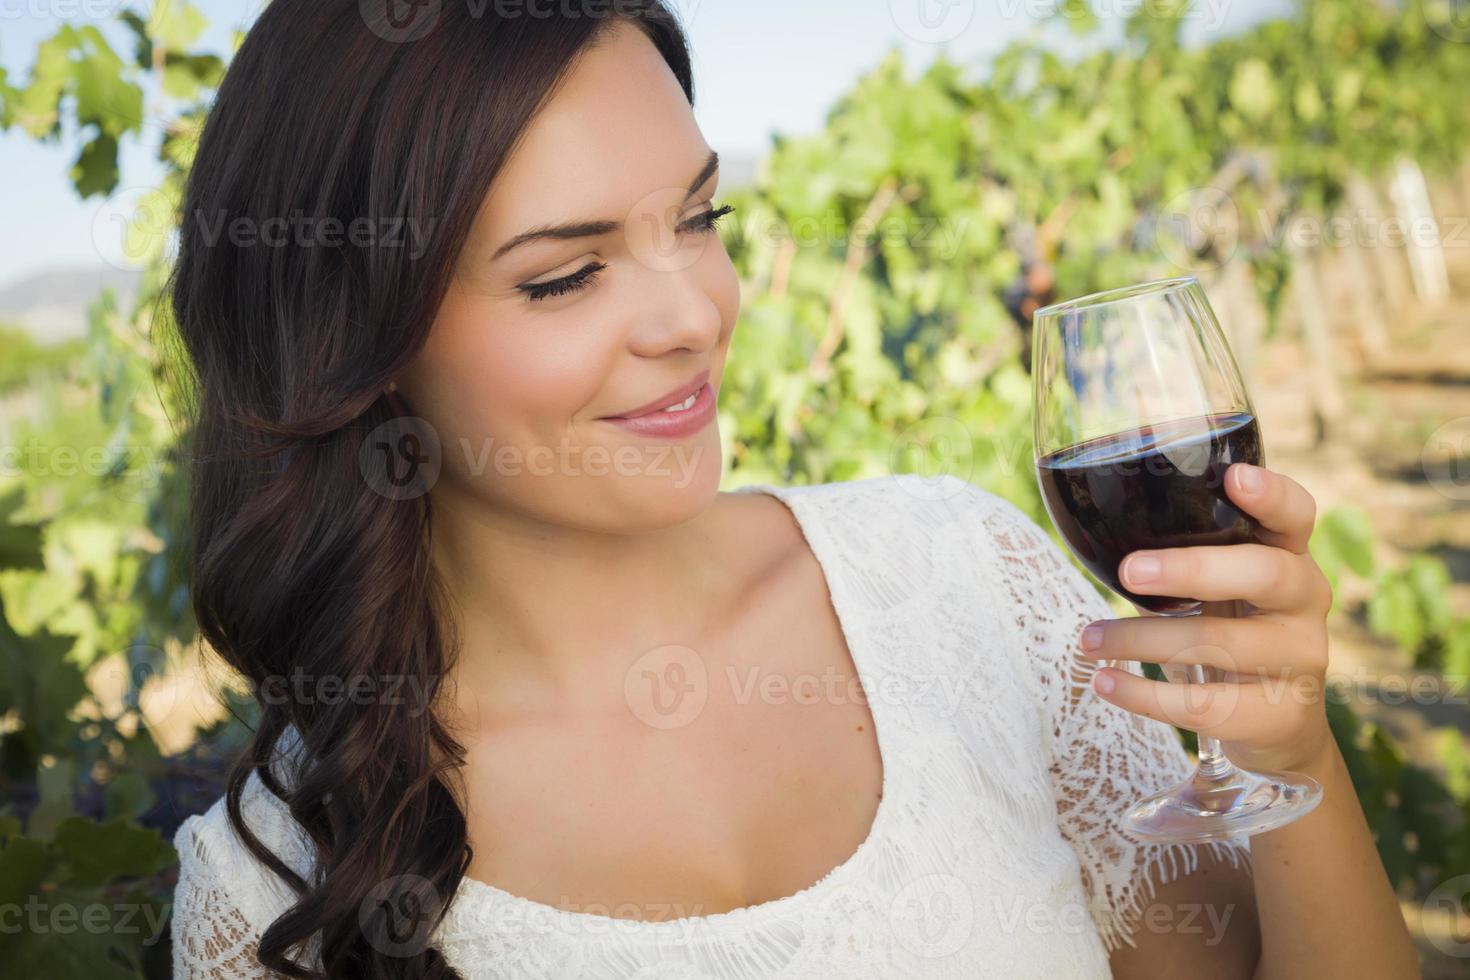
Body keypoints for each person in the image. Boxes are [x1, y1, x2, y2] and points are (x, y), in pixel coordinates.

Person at [167, 2, 1419, 978]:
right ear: (357, 350)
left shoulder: (964, 577)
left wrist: (1290, 749)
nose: (695, 312)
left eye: (700, 217)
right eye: (565, 276)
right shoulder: (270, 886)